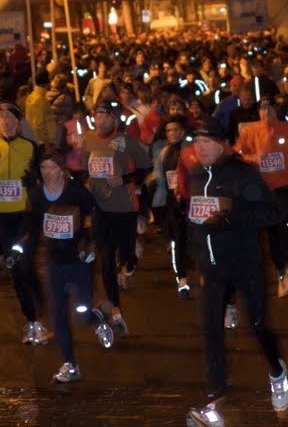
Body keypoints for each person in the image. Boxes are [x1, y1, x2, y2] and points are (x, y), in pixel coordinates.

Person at [184, 121, 288, 427]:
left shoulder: (242, 174)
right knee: (211, 332)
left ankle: (277, 371)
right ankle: (214, 404)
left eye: (206, 141)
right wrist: (193, 256)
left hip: (245, 264)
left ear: (222, 145)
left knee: (257, 326)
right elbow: (193, 221)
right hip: (212, 270)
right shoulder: (196, 176)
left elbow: (275, 212)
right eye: (196, 141)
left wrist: (233, 218)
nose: (199, 147)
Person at [29, 146, 114, 382]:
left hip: (78, 262)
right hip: (53, 263)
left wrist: (89, 243)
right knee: (57, 315)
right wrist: (24, 252)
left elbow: (95, 217)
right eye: (43, 167)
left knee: (80, 314)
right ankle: (70, 363)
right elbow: (33, 228)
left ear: (63, 171)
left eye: (52, 167)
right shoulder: (36, 196)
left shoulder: (76, 193)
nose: (47, 172)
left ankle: (96, 319)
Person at [82, 101, 150, 335]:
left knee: (126, 254)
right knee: (106, 260)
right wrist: (85, 183)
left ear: (115, 120)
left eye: (105, 116)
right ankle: (116, 310)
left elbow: (146, 167)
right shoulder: (88, 140)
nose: (100, 120)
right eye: (97, 115)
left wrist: (126, 178)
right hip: (101, 209)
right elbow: (83, 169)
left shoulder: (125, 141)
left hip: (125, 208)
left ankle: (131, 258)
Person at [0, 101, 45, 343]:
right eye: (2, 118)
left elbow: (42, 179)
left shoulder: (30, 147)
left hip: (25, 216)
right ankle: (33, 314)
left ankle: (33, 319)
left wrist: (33, 182)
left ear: (18, 122)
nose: (5, 122)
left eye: (10, 118)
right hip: (2, 217)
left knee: (23, 264)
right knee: (17, 270)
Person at [234, 96, 288, 296]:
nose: (266, 112)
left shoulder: (286, 129)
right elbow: (236, 154)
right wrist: (252, 158)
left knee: (283, 226)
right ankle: (281, 272)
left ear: (276, 110)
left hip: (284, 187)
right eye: (263, 109)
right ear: (259, 112)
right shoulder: (250, 132)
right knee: (271, 232)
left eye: (270, 108)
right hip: (261, 190)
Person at [149, 116, 193, 297]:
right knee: (177, 240)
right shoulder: (162, 150)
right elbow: (158, 176)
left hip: (191, 201)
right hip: (170, 201)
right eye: (169, 130)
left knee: (194, 239)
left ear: (183, 132)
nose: (172, 133)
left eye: (176, 129)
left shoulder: (192, 150)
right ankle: (181, 278)